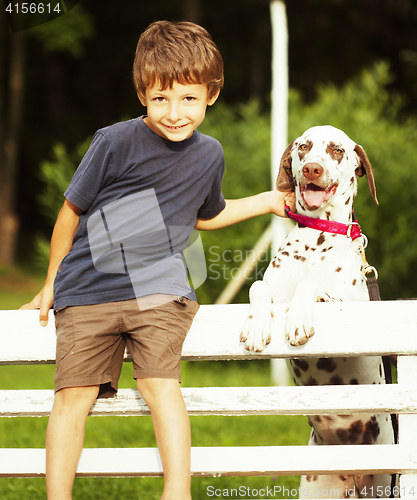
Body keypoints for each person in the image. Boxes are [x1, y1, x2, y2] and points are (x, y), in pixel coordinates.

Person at [21, 20, 295, 500]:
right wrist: (52, 281)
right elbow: (71, 212)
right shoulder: (114, 142)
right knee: (72, 397)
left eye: (188, 99)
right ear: (142, 94)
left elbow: (205, 216)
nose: (174, 113)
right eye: (160, 99)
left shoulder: (210, 154)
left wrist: (271, 201)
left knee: (159, 384)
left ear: (211, 94)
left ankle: (177, 491)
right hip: (88, 291)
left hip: (161, 292)